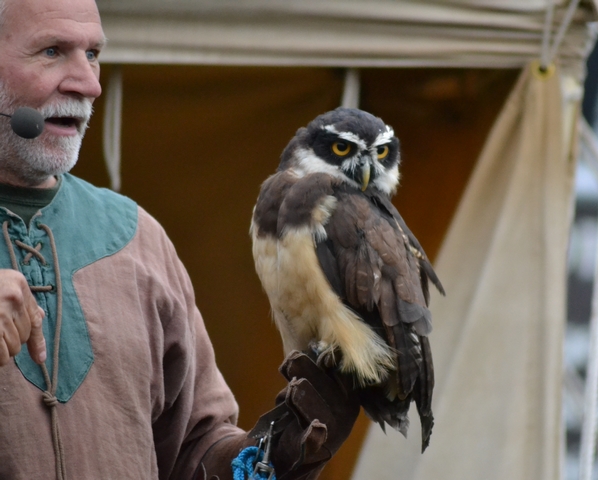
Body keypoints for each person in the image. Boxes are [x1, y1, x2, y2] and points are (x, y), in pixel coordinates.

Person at [0, 0, 359, 479]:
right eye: (51, 51)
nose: (88, 83)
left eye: (92, 54)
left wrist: (275, 454)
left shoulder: (136, 238)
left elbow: (196, 448)